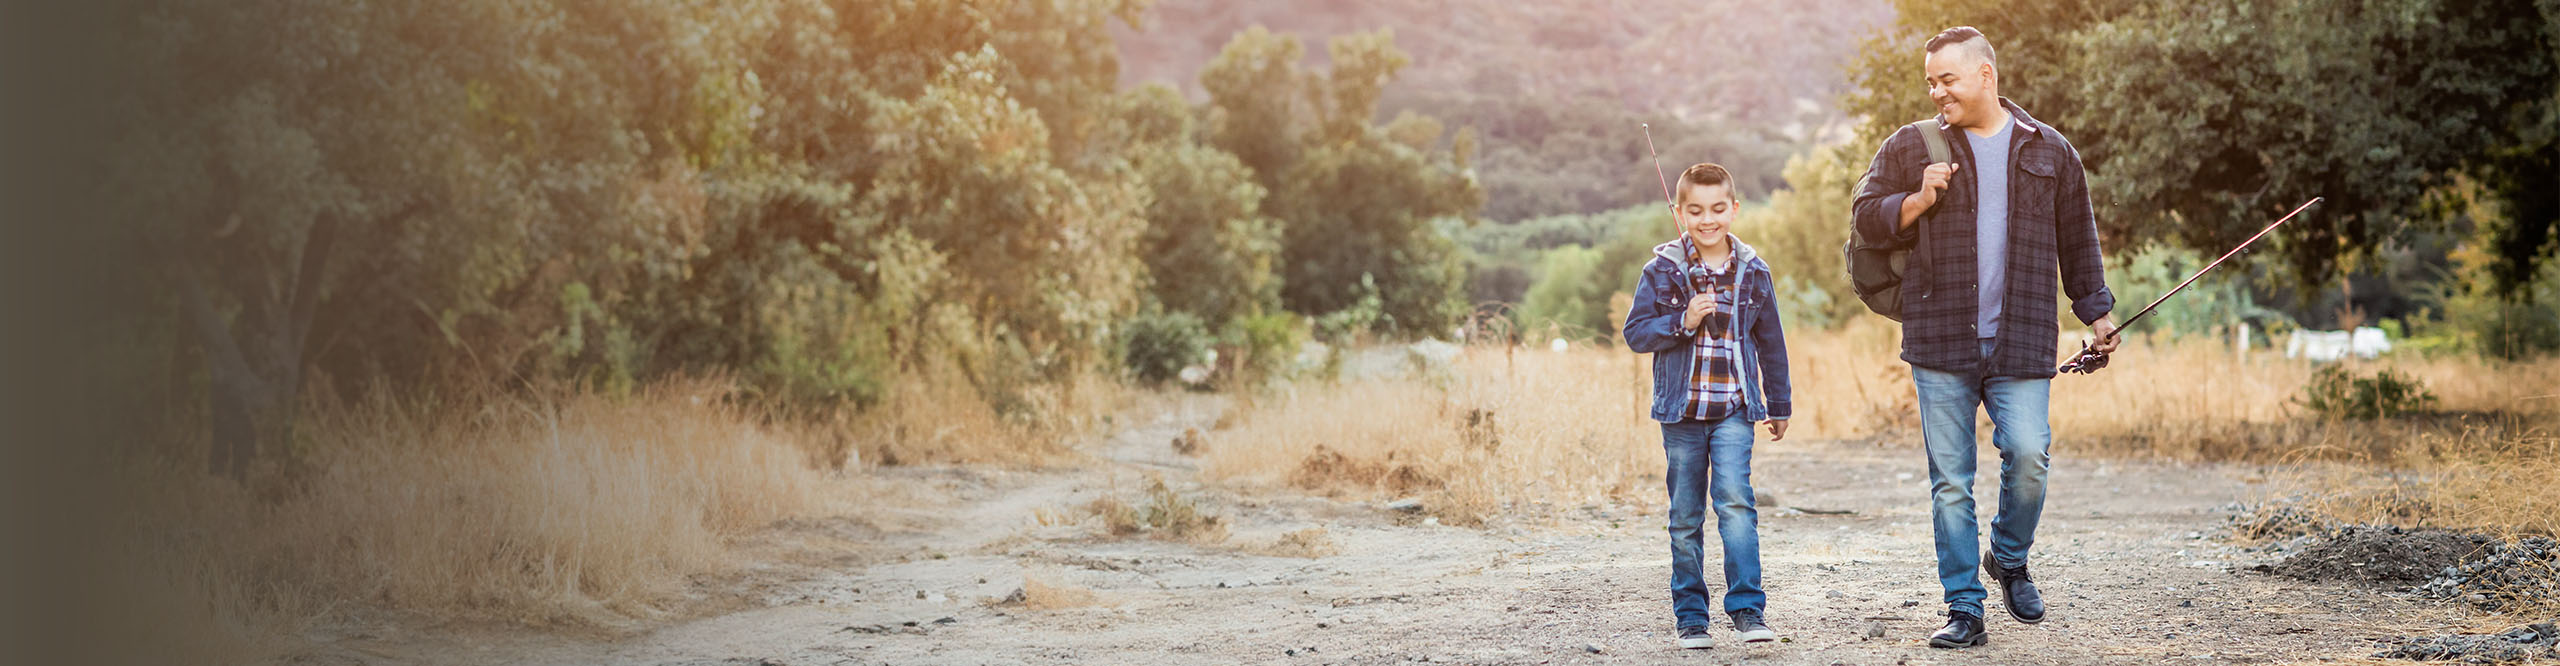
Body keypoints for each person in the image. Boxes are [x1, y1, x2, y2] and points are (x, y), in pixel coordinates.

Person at [1848, 26, 2120, 649]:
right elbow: (1865, 216)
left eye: (1948, 79)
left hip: (2022, 337)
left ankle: (2009, 556)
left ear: (1985, 77)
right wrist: (1916, 201)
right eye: (1931, 82)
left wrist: (2097, 314)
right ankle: (1964, 608)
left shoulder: (2050, 151)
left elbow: (2079, 241)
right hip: (1939, 336)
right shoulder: (1910, 145)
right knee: (1951, 481)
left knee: (2029, 459)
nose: (1937, 91)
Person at [1621, 162, 1793, 650]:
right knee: (1685, 515)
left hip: (1735, 408)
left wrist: (1777, 403)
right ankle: (1691, 617)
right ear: (1680, 212)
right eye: (1695, 210)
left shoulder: (1754, 271)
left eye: (1718, 208)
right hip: (1682, 413)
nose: (1707, 219)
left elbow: (1772, 343)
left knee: (1736, 504)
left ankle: (1747, 609)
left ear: (1734, 209)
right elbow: (1636, 333)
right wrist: (1683, 320)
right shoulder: (1661, 271)